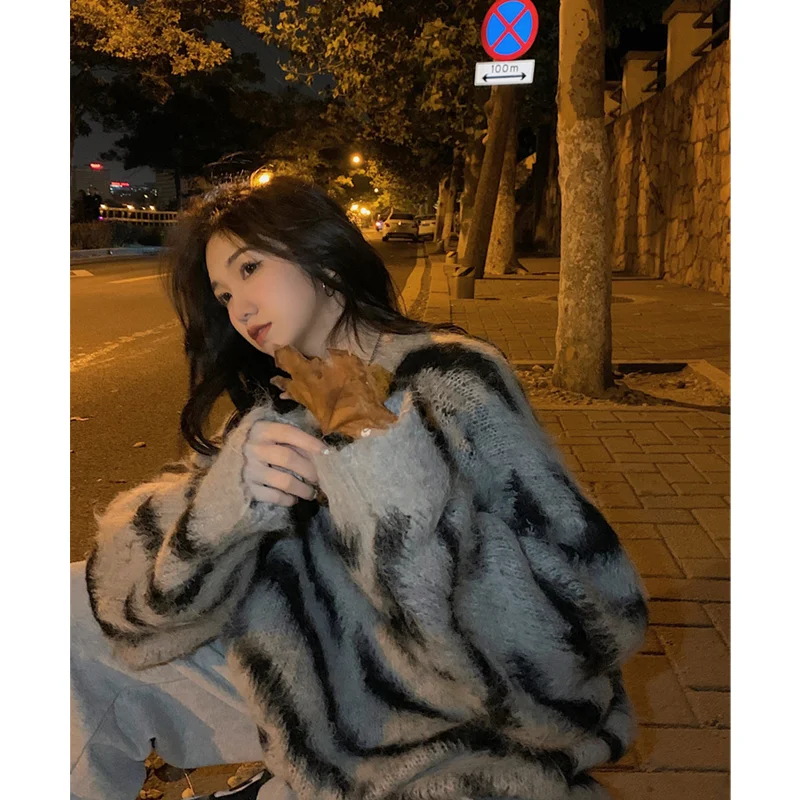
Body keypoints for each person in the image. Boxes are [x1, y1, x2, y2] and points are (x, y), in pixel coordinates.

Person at [71, 177, 648, 800]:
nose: (239, 308)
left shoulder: (451, 378)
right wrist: (223, 505)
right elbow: (128, 592)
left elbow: (589, 620)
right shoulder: (274, 407)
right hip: (302, 679)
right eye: (224, 294)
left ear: (320, 255)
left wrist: (387, 483)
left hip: (443, 721)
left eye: (251, 267)